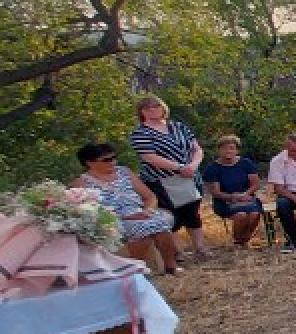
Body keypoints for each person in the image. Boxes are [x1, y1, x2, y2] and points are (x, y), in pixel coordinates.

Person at [76, 143, 180, 274]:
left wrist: (148, 210)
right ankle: (137, 270)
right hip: (111, 218)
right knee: (141, 232)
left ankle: (170, 266)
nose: (113, 162)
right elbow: (87, 212)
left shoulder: (124, 172)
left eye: (114, 158)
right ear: (89, 163)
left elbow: (150, 197)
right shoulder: (81, 183)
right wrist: (126, 217)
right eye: (106, 160)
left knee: (161, 225)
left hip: (138, 212)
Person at [128, 95, 206, 258]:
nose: (152, 110)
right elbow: (149, 157)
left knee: (192, 213)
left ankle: (200, 248)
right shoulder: (140, 133)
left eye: (156, 106)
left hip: (190, 177)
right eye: (147, 108)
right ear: (141, 112)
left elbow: (197, 149)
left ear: (163, 107)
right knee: (171, 216)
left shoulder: (178, 127)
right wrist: (179, 167)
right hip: (162, 181)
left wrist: (192, 166)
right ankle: (176, 252)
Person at [201, 135, 263, 249]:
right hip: (224, 201)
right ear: (218, 150)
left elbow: (256, 184)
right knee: (241, 215)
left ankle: (244, 239)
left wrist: (245, 194)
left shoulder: (246, 163)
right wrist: (233, 197)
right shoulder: (212, 168)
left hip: (247, 197)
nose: (228, 151)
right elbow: (216, 192)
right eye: (224, 148)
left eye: (231, 148)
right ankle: (239, 242)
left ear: (236, 150)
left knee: (254, 214)